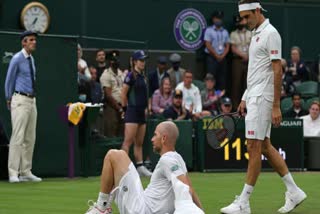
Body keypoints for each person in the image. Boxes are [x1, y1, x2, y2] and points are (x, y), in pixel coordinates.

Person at [220, 1, 307, 213]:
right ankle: (294, 191)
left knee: (254, 146)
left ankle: (243, 202)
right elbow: (256, 71)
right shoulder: (256, 34)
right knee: (265, 146)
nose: (244, 21)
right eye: (242, 18)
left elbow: (277, 70)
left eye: (248, 16)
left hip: (264, 99)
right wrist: (244, 97)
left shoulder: (271, 33)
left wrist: (276, 105)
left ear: (258, 11)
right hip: (254, 96)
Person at [84, 121, 203, 214]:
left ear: (164, 138)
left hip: (141, 210)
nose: (152, 139)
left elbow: (186, 188)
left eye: (155, 135)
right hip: (143, 207)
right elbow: (190, 189)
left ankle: (101, 209)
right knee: (115, 175)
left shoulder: (168, 160)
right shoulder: (178, 159)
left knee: (114, 155)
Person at [4, 31, 42, 183]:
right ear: (23, 42)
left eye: (34, 40)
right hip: (19, 99)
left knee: (30, 137)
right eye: (31, 40)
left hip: (32, 101)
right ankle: (13, 173)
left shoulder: (31, 59)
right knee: (18, 137)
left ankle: (25, 171)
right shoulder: (17, 59)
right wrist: (8, 98)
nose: (34, 42)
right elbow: (9, 80)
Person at [121, 50, 152, 177]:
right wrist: (125, 109)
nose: (143, 63)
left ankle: (140, 166)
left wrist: (147, 108)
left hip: (141, 113)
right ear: (134, 62)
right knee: (128, 141)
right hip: (132, 112)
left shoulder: (143, 77)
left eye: (144, 60)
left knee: (139, 142)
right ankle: (122, 167)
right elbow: (123, 93)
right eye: (141, 60)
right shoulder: (130, 76)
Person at [100, 50, 124, 137]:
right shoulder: (106, 75)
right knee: (111, 132)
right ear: (110, 62)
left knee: (122, 133)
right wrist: (119, 109)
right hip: (111, 107)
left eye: (117, 59)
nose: (117, 61)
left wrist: (124, 107)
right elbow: (108, 95)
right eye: (114, 60)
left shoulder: (121, 73)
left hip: (122, 105)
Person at [204, 10, 230, 90]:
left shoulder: (225, 32)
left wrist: (222, 56)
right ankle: (209, 98)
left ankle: (220, 99)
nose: (219, 20)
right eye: (217, 18)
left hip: (222, 58)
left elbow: (227, 45)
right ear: (213, 19)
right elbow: (208, 44)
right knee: (210, 79)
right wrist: (216, 55)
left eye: (220, 18)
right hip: (212, 58)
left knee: (222, 80)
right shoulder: (209, 30)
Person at [230, 14, 252, 108]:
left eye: (241, 21)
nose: (239, 23)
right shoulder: (233, 34)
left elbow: (253, 46)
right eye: (238, 22)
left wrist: (248, 56)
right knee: (236, 85)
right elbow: (233, 48)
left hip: (249, 61)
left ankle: (248, 107)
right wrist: (243, 55)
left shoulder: (250, 33)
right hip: (237, 61)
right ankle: (235, 107)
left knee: (247, 84)